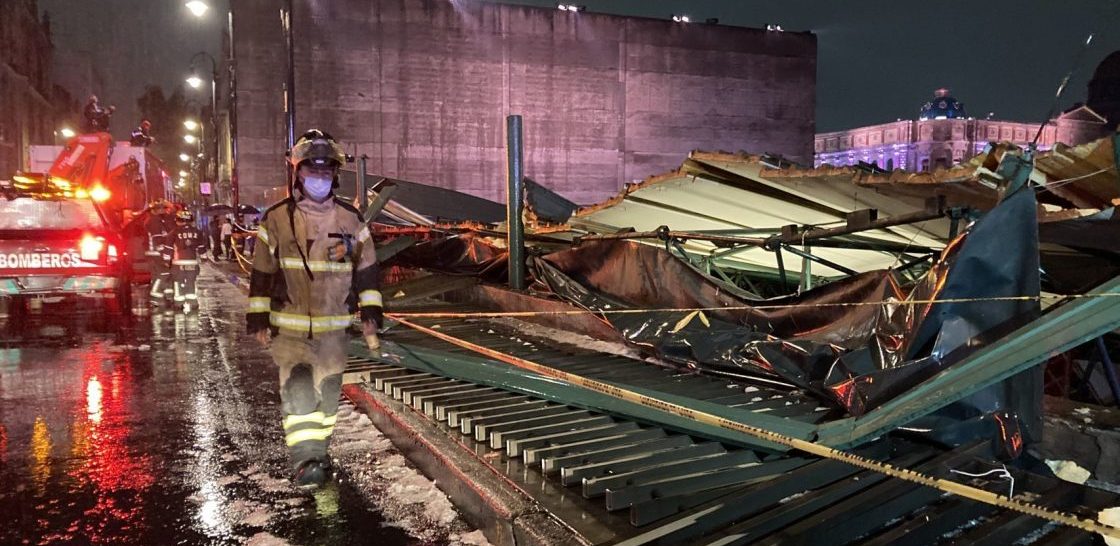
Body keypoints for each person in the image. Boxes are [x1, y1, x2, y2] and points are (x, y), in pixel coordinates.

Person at [245, 129, 382, 489]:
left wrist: (371, 314)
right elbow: (261, 273)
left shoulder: (351, 221)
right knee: (300, 390)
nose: (318, 179)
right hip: (289, 330)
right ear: (297, 173)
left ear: (334, 176)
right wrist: (257, 317)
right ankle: (304, 460)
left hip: (334, 330)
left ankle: (319, 452)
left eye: (325, 173)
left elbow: (367, 272)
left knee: (328, 394)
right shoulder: (275, 219)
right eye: (311, 172)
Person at [171, 209, 203, 313]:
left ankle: (179, 303)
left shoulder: (174, 232)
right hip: (192, 263)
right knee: (191, 281)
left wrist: (166, 259)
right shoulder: (197, 232)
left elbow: (168, 247)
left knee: (178, 282)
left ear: (178, 220)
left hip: (178, 263)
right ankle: (193, 302)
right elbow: (201, 247)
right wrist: (204, 257)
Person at [145, 201, 175, 305]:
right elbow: (157, 239)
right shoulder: (155, 221)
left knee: (165, 274)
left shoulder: (159, 220)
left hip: (157, 252)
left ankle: (168, 296)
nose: (164, 210)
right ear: (155, 211)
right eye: (161, 209)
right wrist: (164, 253)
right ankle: (155, 297)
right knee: (162, 274)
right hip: (157, 253)